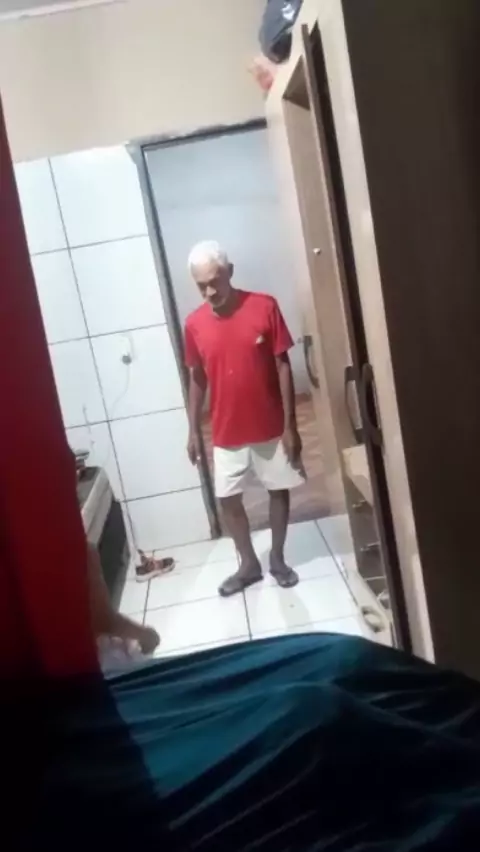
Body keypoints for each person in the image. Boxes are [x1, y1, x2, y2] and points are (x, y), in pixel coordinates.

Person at [184, 240, 305, 597]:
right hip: (225, 430)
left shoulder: (264, 306)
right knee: (227, 498)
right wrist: (193, 430)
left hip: (269, 425)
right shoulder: (194, 324)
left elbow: (283, 365)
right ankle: (249, 564)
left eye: (214, 281)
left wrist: (291, 425)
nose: (210, 292)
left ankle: (277, 559)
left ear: (230, 272)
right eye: (201, 286)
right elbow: (197, 377)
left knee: (278, 489)